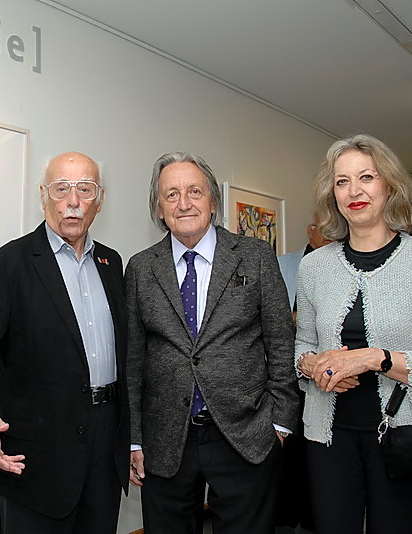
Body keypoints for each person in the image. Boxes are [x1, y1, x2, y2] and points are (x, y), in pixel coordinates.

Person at [294, 134, 412, 534]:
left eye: (366, 177)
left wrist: (374, 358)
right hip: (327, 435)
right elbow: (302, 344)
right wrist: (312, 365)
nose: (354, 191)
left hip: (404, 435)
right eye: (342, 182)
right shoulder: (314, 267)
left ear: (389, 186)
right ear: (332, 194)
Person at [0, 152, 130, 534]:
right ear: (44, 195)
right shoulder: (8, 265)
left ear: (100, 200)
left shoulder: (112, 264)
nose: (73, 201)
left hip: (105, 448)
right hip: (37, 456)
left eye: (85, 189)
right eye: (61, 189)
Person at [127, 152, 299, 534]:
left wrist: (281, 423)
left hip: (246, 434)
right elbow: (133, 360)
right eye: (171, 194)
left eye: (194, 191)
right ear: (159, 208)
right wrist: (134, 439)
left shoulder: (254, 256)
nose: (184, 203)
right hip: (165, 439)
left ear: (213, 201)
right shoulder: (140, 268)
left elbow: (280, 341)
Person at [275, 215, 330, 534]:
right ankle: (285, 518)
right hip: (285, 373)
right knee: (287, 449)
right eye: (325, 227)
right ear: (310, 231)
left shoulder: (340, 265)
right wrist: (292, 318)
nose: (332, 232)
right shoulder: (283, 264)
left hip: (327, 376)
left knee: (318, 452)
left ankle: (314, 518)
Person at [277, 215, 331, 313]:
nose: (330, 233)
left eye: (334, 228)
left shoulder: (346, 265)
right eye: (323, 228)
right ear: (310, 231)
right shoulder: (281, 264)